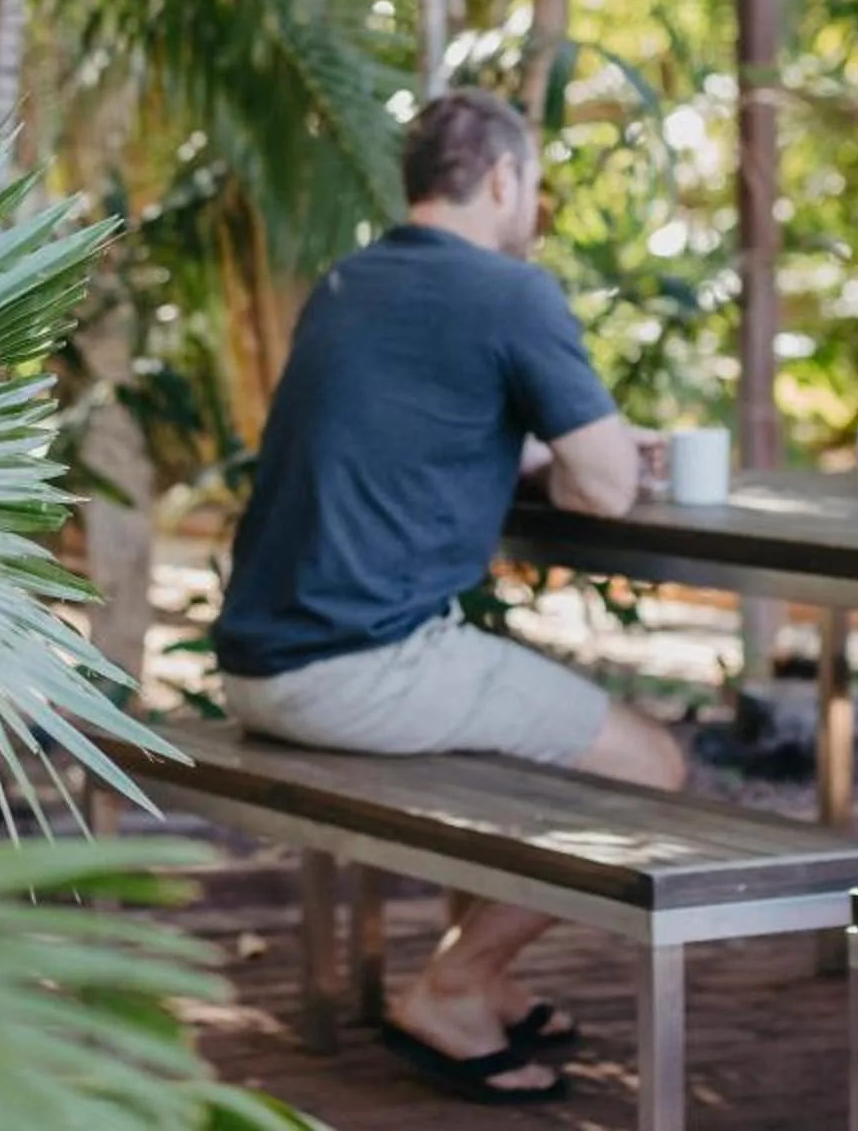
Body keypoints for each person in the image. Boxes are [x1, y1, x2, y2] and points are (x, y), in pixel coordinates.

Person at [213, 87, 685, 1105]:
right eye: (536, 183)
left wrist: (528, 451)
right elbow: (603, 485)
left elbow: (415, 422)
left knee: (510, 749)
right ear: (506, 178)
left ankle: (492, 978)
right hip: (357, 667)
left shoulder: (349, 280)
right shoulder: (511, 291)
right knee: (654, 763)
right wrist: (590, 452)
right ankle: (453, 984)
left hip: (259, 661)